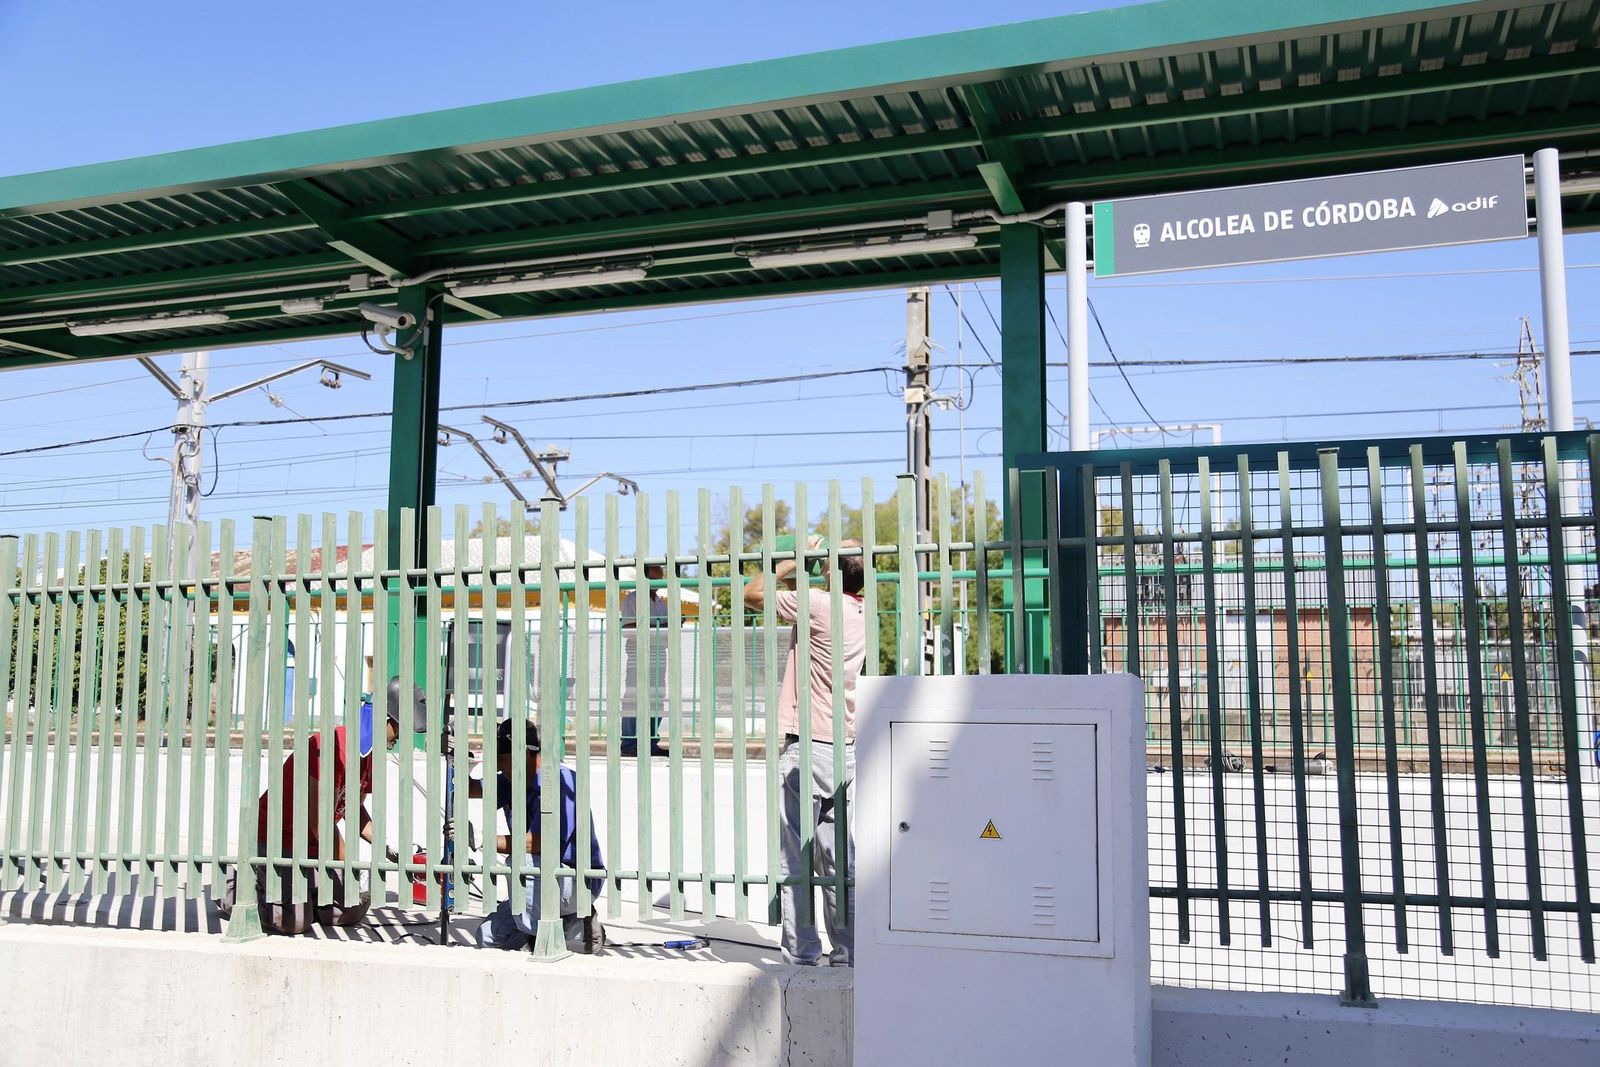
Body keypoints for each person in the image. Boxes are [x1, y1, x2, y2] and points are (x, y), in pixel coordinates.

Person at [743, 536, 866, 966]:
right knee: (840, 860)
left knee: (795, 856)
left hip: (808, 747)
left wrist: (793, 561)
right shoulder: (859, 611)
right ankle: (850, 949)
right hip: (846, 748)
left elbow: (752, 593)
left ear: (831, 570)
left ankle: (802, 949)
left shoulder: (818, 604)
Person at [218, 677, 412, 935]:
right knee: (294, 922)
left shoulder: (369, 757)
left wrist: (384, 843)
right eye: (399, 729)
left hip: (316, 845)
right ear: (385, 721)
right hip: (280, 839)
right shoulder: (328, 747)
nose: (399, 737)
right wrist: (350, 866)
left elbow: (352, 811)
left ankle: (304, 895)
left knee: (350, 909)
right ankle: (237, 886)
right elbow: (319, 821)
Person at [473, 717, 606, 953]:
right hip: (539, 877)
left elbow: (538, 843)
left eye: (501, 760)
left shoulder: (562, 781)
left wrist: (483, 840)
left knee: (520, 862)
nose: (499, 768)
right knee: (487, 938)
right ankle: (570, 921)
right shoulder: (514, 778)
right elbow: (473, 789)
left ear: (523, 754)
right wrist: (455, 761)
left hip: (573, 880)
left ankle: (544, 940)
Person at [620, 562, 669, 757]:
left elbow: (664, 628)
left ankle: (650, 741)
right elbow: (628, 628)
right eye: (655, 577)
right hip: (638, 652)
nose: (658, 581)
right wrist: (658, 627)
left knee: (656, 696)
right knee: (634, 696)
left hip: (658, 652)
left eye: (660, 577)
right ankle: (630, 744)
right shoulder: (633, 599)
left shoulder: (659, 601)